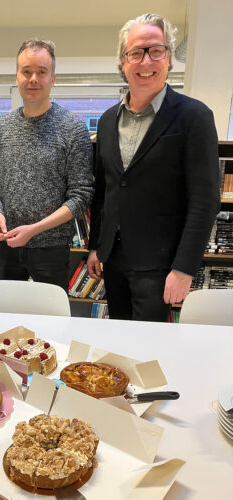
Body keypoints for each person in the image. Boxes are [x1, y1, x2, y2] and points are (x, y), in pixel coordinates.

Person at [87, 13, 220, 322]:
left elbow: (205, 200)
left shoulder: (194, 117)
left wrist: (184, 268)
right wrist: (96, 247)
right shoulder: (107, 121)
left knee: (153, 353)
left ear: (169, 58)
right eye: (136, 52)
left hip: (162, 264)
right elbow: (104, 191)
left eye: (155, 50)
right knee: (119, 344)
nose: (145, 61)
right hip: (114, 259)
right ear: (123, 62)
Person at [0, 39, 94, 292]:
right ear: (17, 76)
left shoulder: (72, 129)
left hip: (52, 249)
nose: (33, 78)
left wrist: (35, 230)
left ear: (52, 78)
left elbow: (81, 196)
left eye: (41, 72)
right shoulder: (2, 128)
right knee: (4, 318)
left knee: (51, 324)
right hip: (7, 245)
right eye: (26, 71)